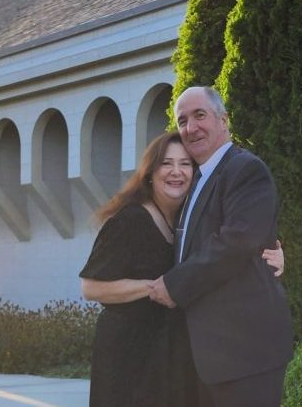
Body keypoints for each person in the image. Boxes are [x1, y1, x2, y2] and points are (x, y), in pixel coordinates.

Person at [80, 130, 284, 406]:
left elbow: (229, 247)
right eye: (166, 163)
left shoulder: (186, 220)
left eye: (185, 164)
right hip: (127, 354)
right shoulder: (130, 220)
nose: (176, 171)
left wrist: (271, 254)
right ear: (150, 173)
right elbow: (91, 287)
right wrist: (157, 287)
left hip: (171, 354)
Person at [149, 86, 294, 407]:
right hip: (206, 356)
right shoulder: (196, 180)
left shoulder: (245, 169)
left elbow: (236, 243)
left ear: (224, 120)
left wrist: (174, 285)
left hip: (245, 354)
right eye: (182, 120)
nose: (190, 127)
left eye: (199, 115)